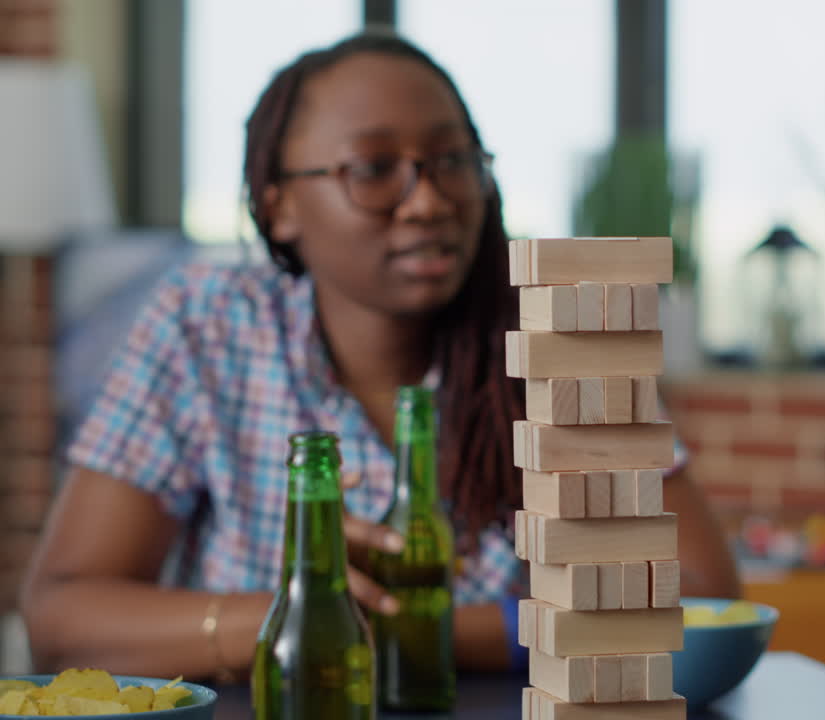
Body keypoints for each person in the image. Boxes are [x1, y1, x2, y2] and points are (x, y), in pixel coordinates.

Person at [19, 31, 741, 681]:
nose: (428, 201)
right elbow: (60, 619)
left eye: (453, 160)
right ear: (279, 208)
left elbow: (701, 601)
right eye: (373, 167)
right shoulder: (206, 324)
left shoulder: (560, 337)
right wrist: (289, 613)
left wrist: (412, 632)